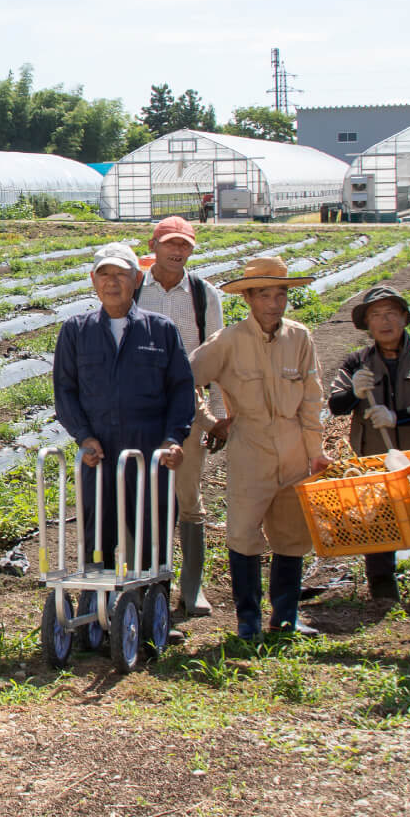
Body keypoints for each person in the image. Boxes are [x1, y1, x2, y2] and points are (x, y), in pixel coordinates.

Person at [188, 256, 334, 640]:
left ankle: (286, 616)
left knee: (293, 534)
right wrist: (209, 421)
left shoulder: (299, 338)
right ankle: (248, 618)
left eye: (281, 294)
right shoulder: (229, 342)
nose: (274, 303)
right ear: (249, 297)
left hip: (293, 449)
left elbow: (312, 398)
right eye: (264, 294)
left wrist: (315, 450)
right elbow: (187, 380)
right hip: (249, 445)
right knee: (243, 533)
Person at [52, 242, 194, 576]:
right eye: (104, 274)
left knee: (152, 535)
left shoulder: (160, 330)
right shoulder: (75, 331)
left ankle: (154, 613)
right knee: (97, 535)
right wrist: (84, 437)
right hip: (97, 452)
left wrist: (173, 438)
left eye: (121, 274)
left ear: (137, 279)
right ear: (92, 280)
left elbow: (182, 389)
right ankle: (98, 614)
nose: (112, 282)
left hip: (148, 449)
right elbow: (65, 391)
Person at [134, 215, 228, 617]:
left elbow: (219, 358)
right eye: (170, 243)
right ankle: (148, 580)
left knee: (188, 497)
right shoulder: (136, 287)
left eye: (185, 245)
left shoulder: (204, 295)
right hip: (140, 405)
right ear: (153, 245)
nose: (177, 251)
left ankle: (192, 589)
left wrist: (220, 417)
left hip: (188, 403)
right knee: (143, 496)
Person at [326, 285, 410, 600]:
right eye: (376, 315)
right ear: (367, 324)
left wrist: (397, 416)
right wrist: (354, 392)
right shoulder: (357, 362)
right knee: (378, 519)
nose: (385, 321)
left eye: (391, 312)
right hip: (374, 457)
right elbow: (335, 405)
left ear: (405, 318)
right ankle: (382, 585)